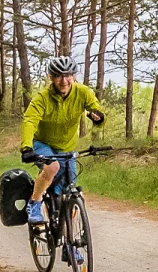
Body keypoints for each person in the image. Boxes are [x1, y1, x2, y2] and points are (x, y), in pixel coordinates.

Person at [19, 55, 106, 226]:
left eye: (68, 75)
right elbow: (30, 121)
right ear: (51, 77)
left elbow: (96, 109)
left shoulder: (83, 92)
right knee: (52, 167)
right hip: (41, 143)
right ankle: (34, 203)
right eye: (58, 76)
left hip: (66, 147)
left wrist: (98, 118)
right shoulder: (42, 98)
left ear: (74, 76)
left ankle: (69, 245)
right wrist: (27, 148)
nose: (64, 80)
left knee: (68, 193)